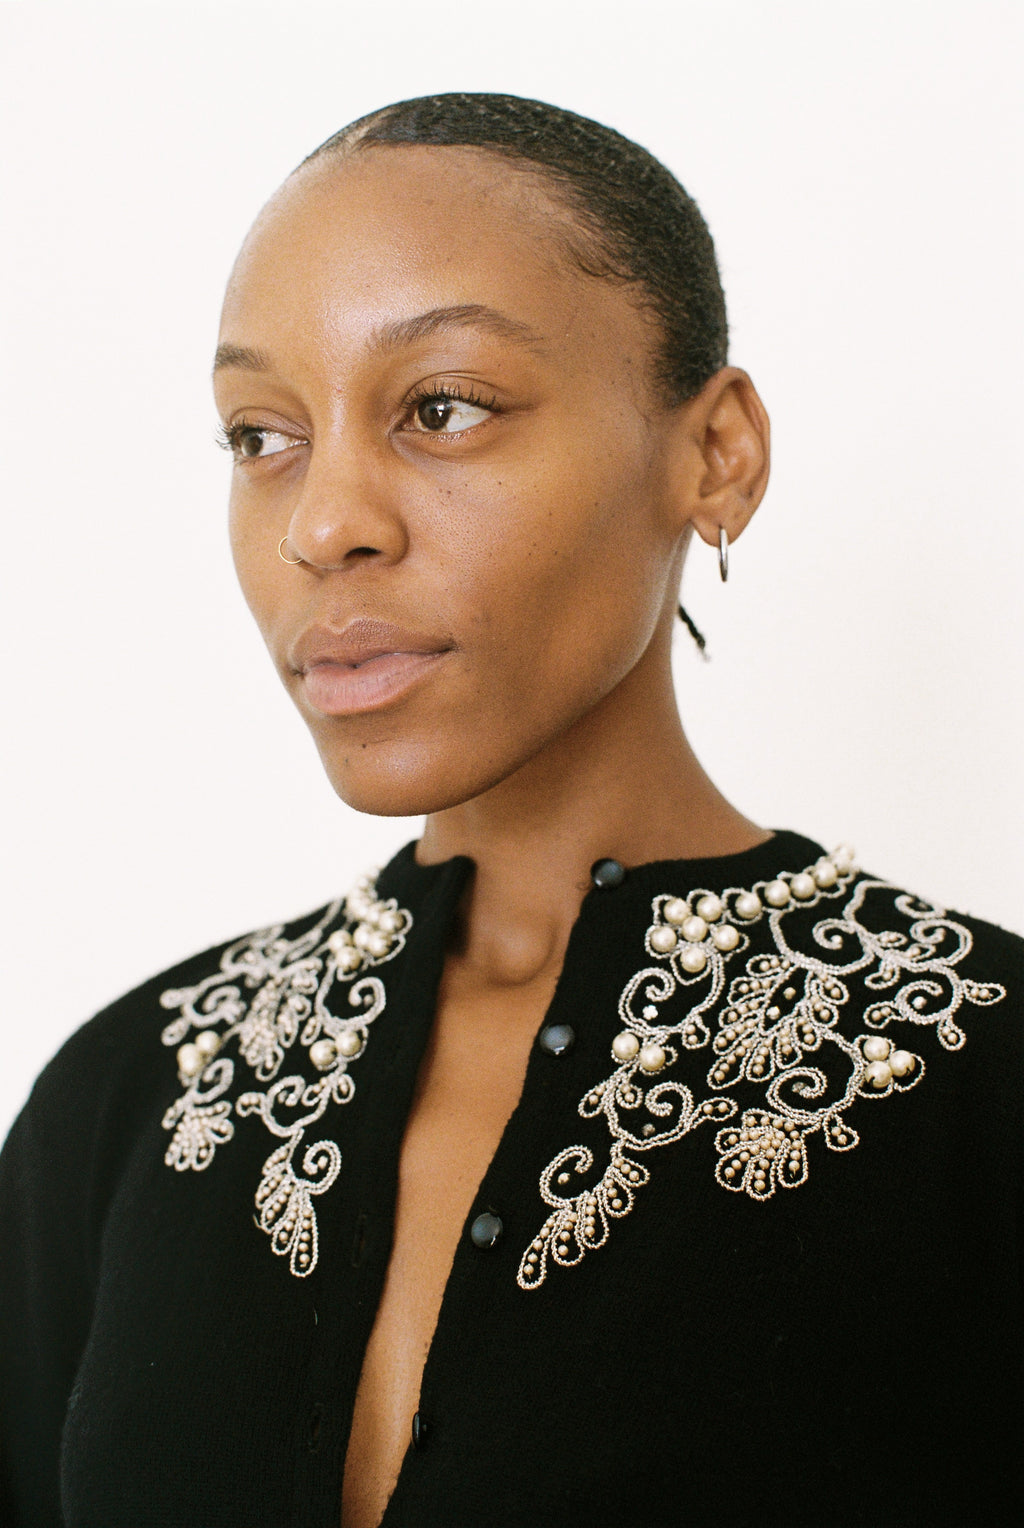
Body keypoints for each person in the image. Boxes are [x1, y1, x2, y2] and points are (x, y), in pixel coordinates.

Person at [1, 92, 1020, 1528]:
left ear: (714, 453)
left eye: (442, 406)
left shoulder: (986, 1088)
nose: (322, 521)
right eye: (260, 435)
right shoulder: (126, 1107)